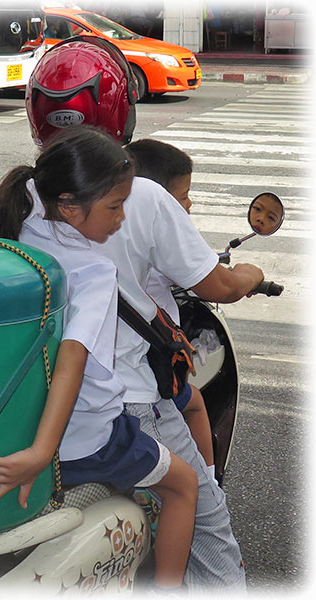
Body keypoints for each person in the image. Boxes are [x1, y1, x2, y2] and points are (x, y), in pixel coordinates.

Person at [24, 36, 265, 592]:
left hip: (44, 402)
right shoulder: (143, 195)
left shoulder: (24, 196)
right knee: (207, 516)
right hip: (127, 399)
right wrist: (250, 277)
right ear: (121, 111)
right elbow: (217, 284)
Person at [0, 126, 198, 591]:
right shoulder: (91, 270)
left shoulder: (21, 218)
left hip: (14, 422)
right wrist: (41, 454)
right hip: (85, 440)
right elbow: (74, 357)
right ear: (69, 206)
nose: (122, 218)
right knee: (184, 485)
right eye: (114, 206)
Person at [125, 138, 214, 474]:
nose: (188, 204)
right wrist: (246, 278)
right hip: (145, 371)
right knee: (194, 404)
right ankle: (210, 482)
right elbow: (213, 283)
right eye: (182, 198)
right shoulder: (153, 215)